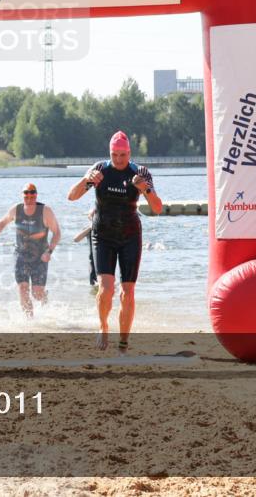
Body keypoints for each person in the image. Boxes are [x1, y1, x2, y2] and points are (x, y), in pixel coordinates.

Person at [68, 131, 163, 353]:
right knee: (106, 288)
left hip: (130, 235)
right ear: (109, 153)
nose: (118, 159)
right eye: (114, 154)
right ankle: (103, 326)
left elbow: (157, 209)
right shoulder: (100, 170)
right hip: (103, 235)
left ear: (129, 153)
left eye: (122, 154)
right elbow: (71, 196)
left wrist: (145, 189)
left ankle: (123, 341)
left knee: (128, 291)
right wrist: (86, 180)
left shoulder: (140, 172)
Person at [0, 183, 61, 318]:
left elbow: (57, 233)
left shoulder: (45, 211)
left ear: (36, 195)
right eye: (26, 194)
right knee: (23, 288)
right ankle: (29, 320)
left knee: (37, 294)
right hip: (21, 255)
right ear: (22, 195)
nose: (29, 197)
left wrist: (49, 251)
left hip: (40, 256)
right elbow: (1, 223)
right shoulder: (16, 209)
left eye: (32, 194)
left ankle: (43, 296)